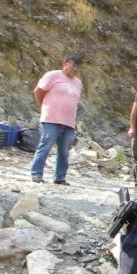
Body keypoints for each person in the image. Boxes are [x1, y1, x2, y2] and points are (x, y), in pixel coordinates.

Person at [30, 54, 83, 185]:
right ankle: (36, 174)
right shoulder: (53, 75)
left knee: (64, 152)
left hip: (69, 122)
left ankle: (60, 178)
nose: (75, 69)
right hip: (51, 119)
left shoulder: (78, 82)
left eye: (77, 67)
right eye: (73, 66)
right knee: (45, 146)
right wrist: (45, 106)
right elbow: (38, 91)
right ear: (65, 64)